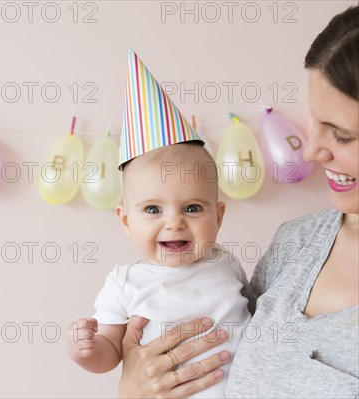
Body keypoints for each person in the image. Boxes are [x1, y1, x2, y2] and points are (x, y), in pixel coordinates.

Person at [117, 5, 359, 398]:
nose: (312, 151)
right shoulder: (297, 242)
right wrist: (135, 387)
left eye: (342, 135)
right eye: (316, 123)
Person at [67, 50, 252, 398]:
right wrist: (88, 352)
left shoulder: (226, 264)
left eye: (193, 207)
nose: (174, 223)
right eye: (153, 210)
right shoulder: (125, 283)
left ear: (219, 216)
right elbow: (112, 351)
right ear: (125, 220)